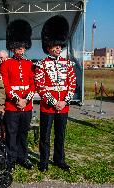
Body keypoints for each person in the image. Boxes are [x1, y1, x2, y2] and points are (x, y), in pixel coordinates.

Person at [35, 15, 76, 172]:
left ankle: (59, 160)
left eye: (60, 45)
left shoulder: (68, 64)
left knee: (60, 136)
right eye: (55, 45)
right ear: (49, 46)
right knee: (45, 137)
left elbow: (72, 84)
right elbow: (40, 86)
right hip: (48, 107)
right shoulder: (41, 64)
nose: (58, 47)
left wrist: (65, 101)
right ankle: (44, 162)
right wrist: (54, 102)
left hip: (64, 106)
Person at [0, 19, 35, 172]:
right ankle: (11, 159)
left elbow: (33, 84)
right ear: (13, 48)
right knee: (11, 134)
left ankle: (23, 157)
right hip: (12, 106)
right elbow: (5, 85)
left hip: (26, 105)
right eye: (18, 47)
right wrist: (16, 99)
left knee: (23, 133)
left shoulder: (29, 64)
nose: (21, 50)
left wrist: (26, 99)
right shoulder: (6, 64)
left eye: (22, 47)